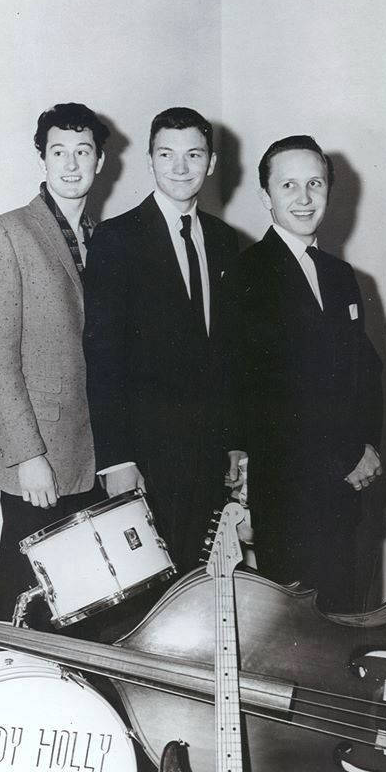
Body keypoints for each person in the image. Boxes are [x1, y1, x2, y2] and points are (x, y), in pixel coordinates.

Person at [83, 107, 245, 574]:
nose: (180, 167)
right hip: (145, 457)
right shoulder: (117, 239)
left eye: (193, 155)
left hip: (207, 457)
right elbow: (103, 358)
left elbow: (226, 351)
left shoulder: (222, 238)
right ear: (150, 161)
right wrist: (116, 460)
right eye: (166, 154)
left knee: (198, 588)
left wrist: (234, 441)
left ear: (211, 163)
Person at [230, 135, 383, 615]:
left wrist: (368, 447)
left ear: (329, 192)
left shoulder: (341, 275)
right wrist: (345, 455)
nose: (303, 198)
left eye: (314, 184)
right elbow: (268, 393)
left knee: (344, 620)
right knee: (297, 635)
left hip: (345, 487)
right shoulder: (246, 273)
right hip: (289, 490)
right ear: (266, 197)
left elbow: (367, 372)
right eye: (288, 185)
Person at [0, 102, 109, 623]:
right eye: (58, 152)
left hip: (95, 459)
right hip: (40, 461)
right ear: (42, 158)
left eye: (83, 152)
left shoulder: (109, 240)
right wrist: (27, 453)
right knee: (25, 611)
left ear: (100, 161)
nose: (71, 165)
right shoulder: (7, 233)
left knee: (85, 613)